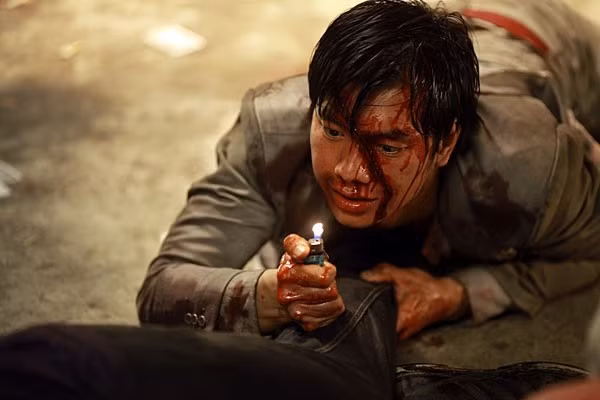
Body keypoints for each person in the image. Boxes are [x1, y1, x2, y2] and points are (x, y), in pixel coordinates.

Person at [0, 1, 599, 399]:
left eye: (389, 145)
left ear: (445, 145)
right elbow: (162, 289)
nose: (350, 172)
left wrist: (461, 292)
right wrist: (270, 294)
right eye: (333, 129)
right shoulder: (272, 133)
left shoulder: (526, 166)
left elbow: (590, 250)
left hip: (554, 37)